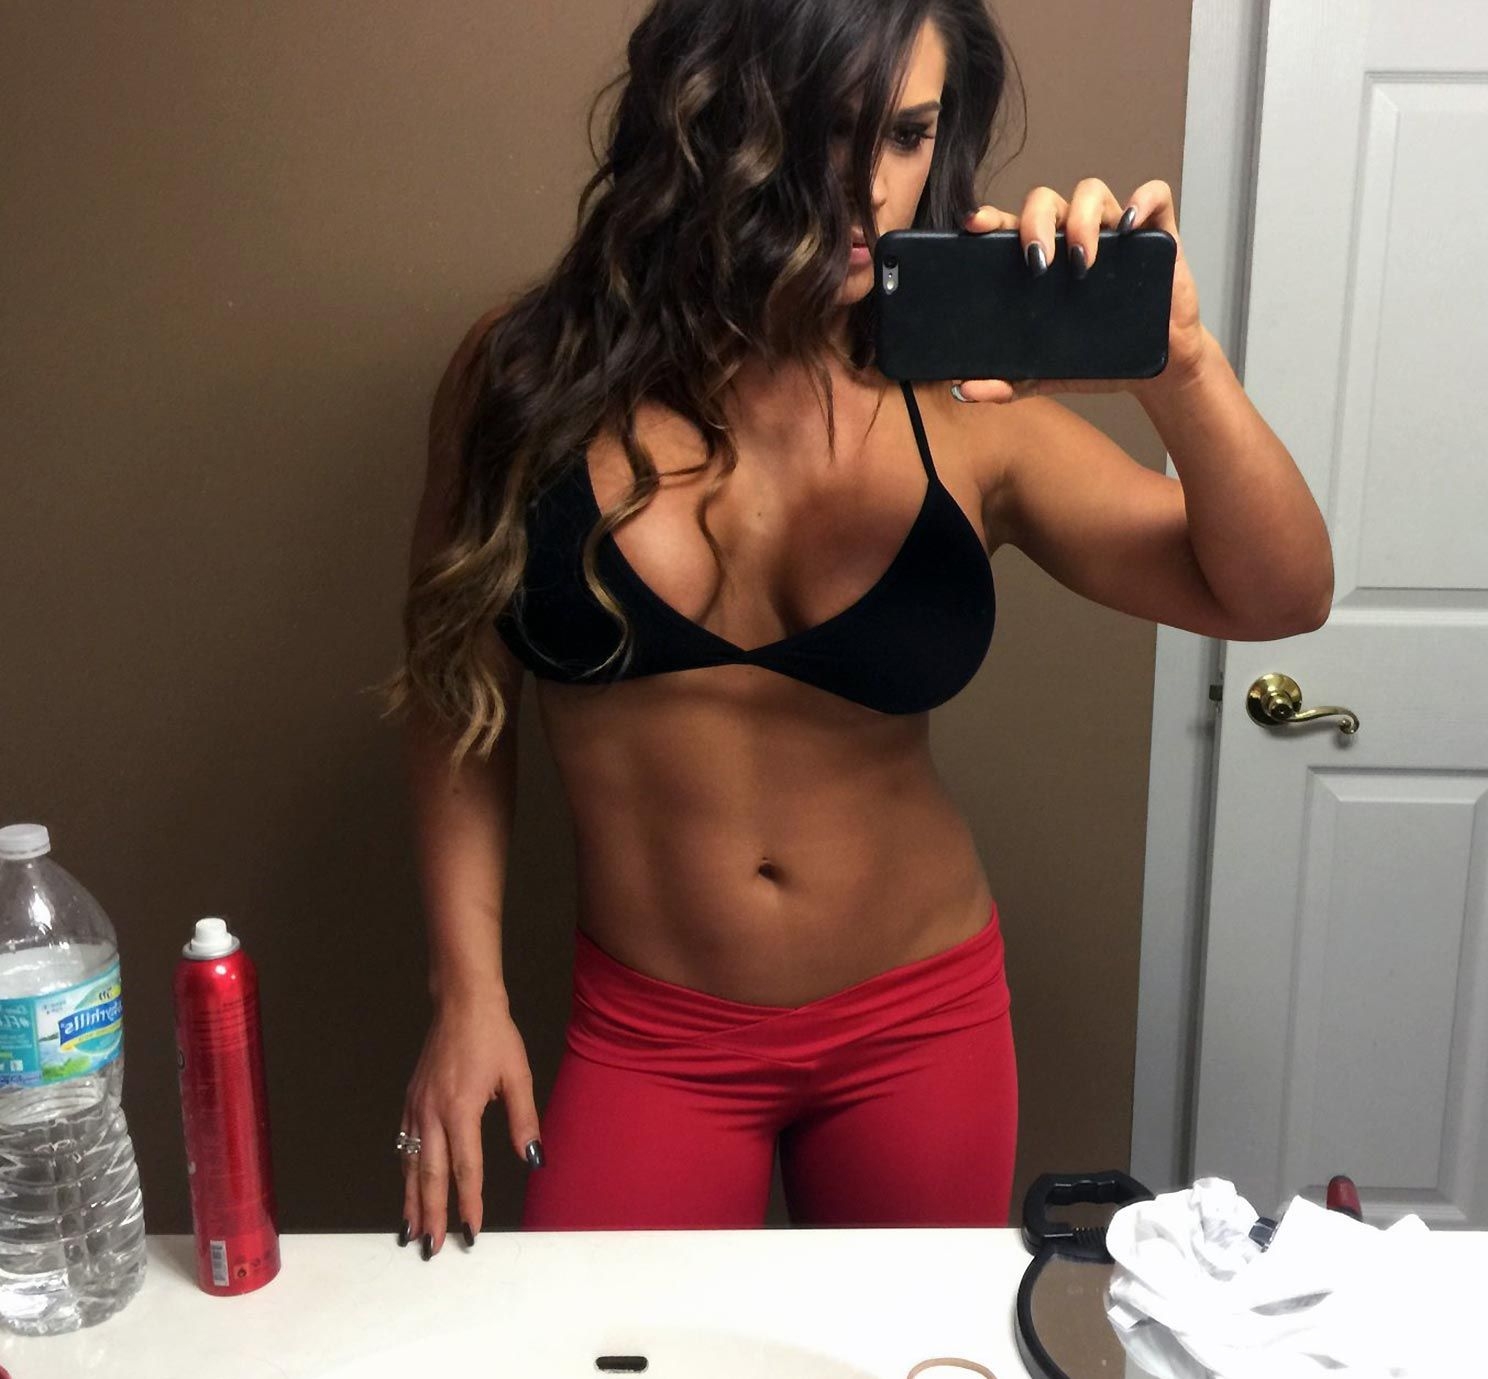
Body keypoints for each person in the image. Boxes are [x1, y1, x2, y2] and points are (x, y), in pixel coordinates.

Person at [383, 0, 1331, 1258]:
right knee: (611, 1341)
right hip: (657, 1033)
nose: (867, 188)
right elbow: (457, 690)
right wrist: (468, 994)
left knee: (903, 1346)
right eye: (821, 129)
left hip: (917, 1022)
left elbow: (1278, 594)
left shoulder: (969, 404)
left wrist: (1184, 368)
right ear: (708, 116)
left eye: (906, 134)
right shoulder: (524, 380)